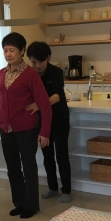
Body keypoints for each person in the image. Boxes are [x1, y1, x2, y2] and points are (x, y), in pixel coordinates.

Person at [0, 33, 52, 219]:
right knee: (12, 168)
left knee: (29, 167)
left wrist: (45, 131)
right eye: (5, 50)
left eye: (12, 50)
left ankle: (31, 205)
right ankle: (20, 203)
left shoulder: (31, 74)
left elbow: (44, 104)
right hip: (6, 129)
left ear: (22, 51)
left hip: (26, 128)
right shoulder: (1, 73)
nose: (8, 54)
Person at [26, 41, 72, 203]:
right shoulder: (31, 74)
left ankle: (66, 190)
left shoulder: (56, 72)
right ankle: (52, 187)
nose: (37, 66)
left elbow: (57, 96)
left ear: (48, 57)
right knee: (47, 155)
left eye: (40, 61)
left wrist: (39, 105)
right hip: (42, 120)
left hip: (59, 119)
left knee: (61, 155)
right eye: (33, 62)